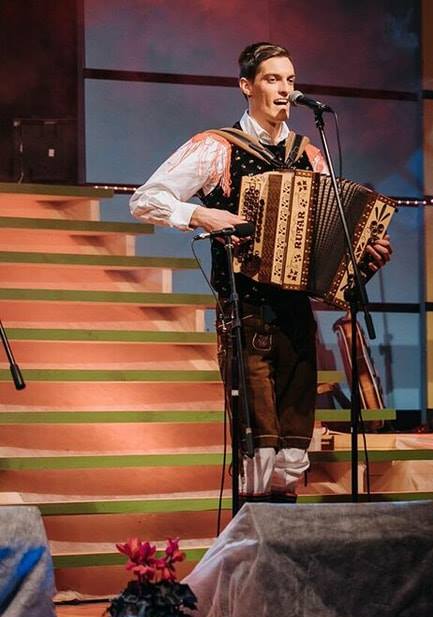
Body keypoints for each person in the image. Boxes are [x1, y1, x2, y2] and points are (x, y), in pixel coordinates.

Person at [130, 42, 391, 505]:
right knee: (258, 447)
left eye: (290, 80)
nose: (285, 89)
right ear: (246, 86)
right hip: (245, 313)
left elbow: (325, 247)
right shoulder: (218, 147)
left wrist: (362, 258)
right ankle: (250, 541)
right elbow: (145, 199)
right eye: (273, 79)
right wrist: (200, 214)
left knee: (292, 446)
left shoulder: (310, 155)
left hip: (296, 316)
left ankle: (282, 540)